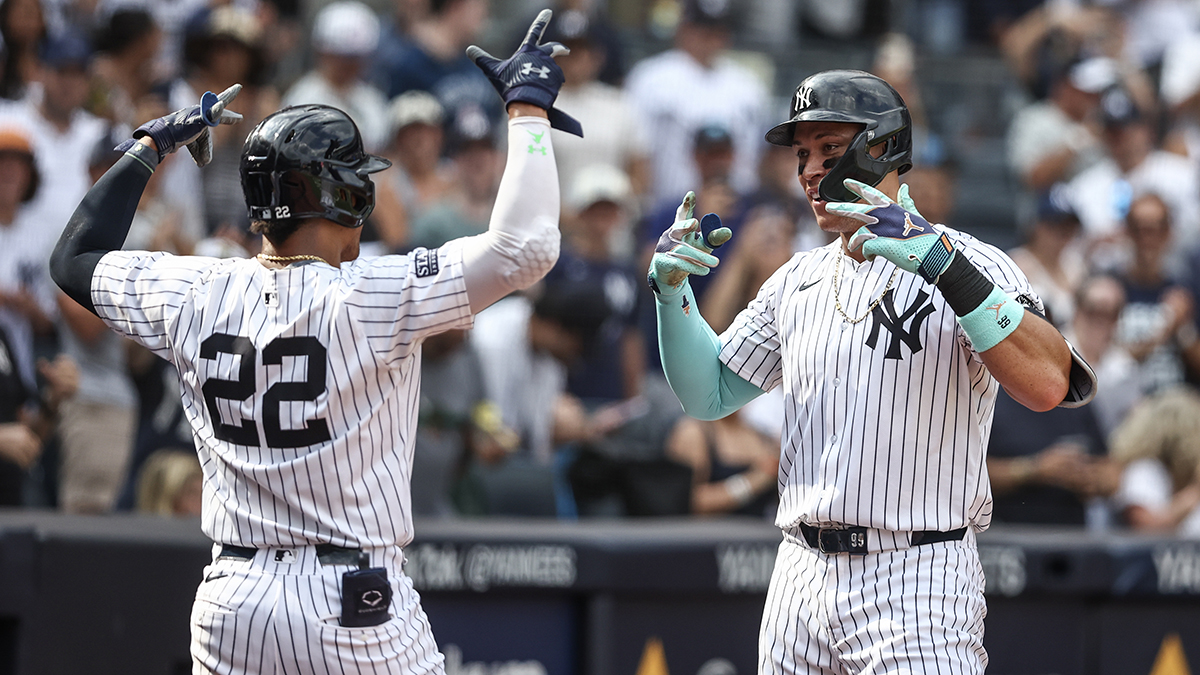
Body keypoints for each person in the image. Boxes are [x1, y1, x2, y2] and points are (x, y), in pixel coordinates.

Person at [49, 10, 576, 672]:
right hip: (349, 601)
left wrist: (147, 150)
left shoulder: (193, 288)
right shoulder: (376, 294)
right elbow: (528, 247)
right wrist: (527, 111)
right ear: (347, 196)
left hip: (230, 599)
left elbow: (73, 258)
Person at [648, 69, 1096, 673]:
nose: (807, 169)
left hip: (914, 575)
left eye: (829, 150)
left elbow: (1049, 384)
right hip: (799, 575)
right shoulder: (795, 280)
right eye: (802, 153)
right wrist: (673, 298)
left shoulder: (974, 259)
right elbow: (710, 394)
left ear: (881, 147)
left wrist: (943, 265)